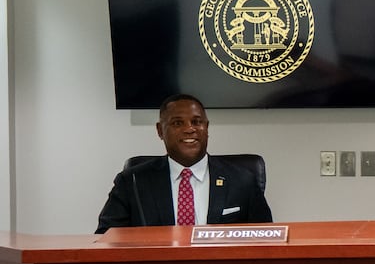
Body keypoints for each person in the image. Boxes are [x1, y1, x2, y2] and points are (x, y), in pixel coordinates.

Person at [95, 93, 273, 233]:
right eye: (177, 123)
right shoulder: (132, 182)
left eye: (197, 122)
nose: (189, 129)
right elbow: (106, 238)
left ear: (207, 128)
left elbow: (268, 239)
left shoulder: (242, 180)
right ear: (160, 131)